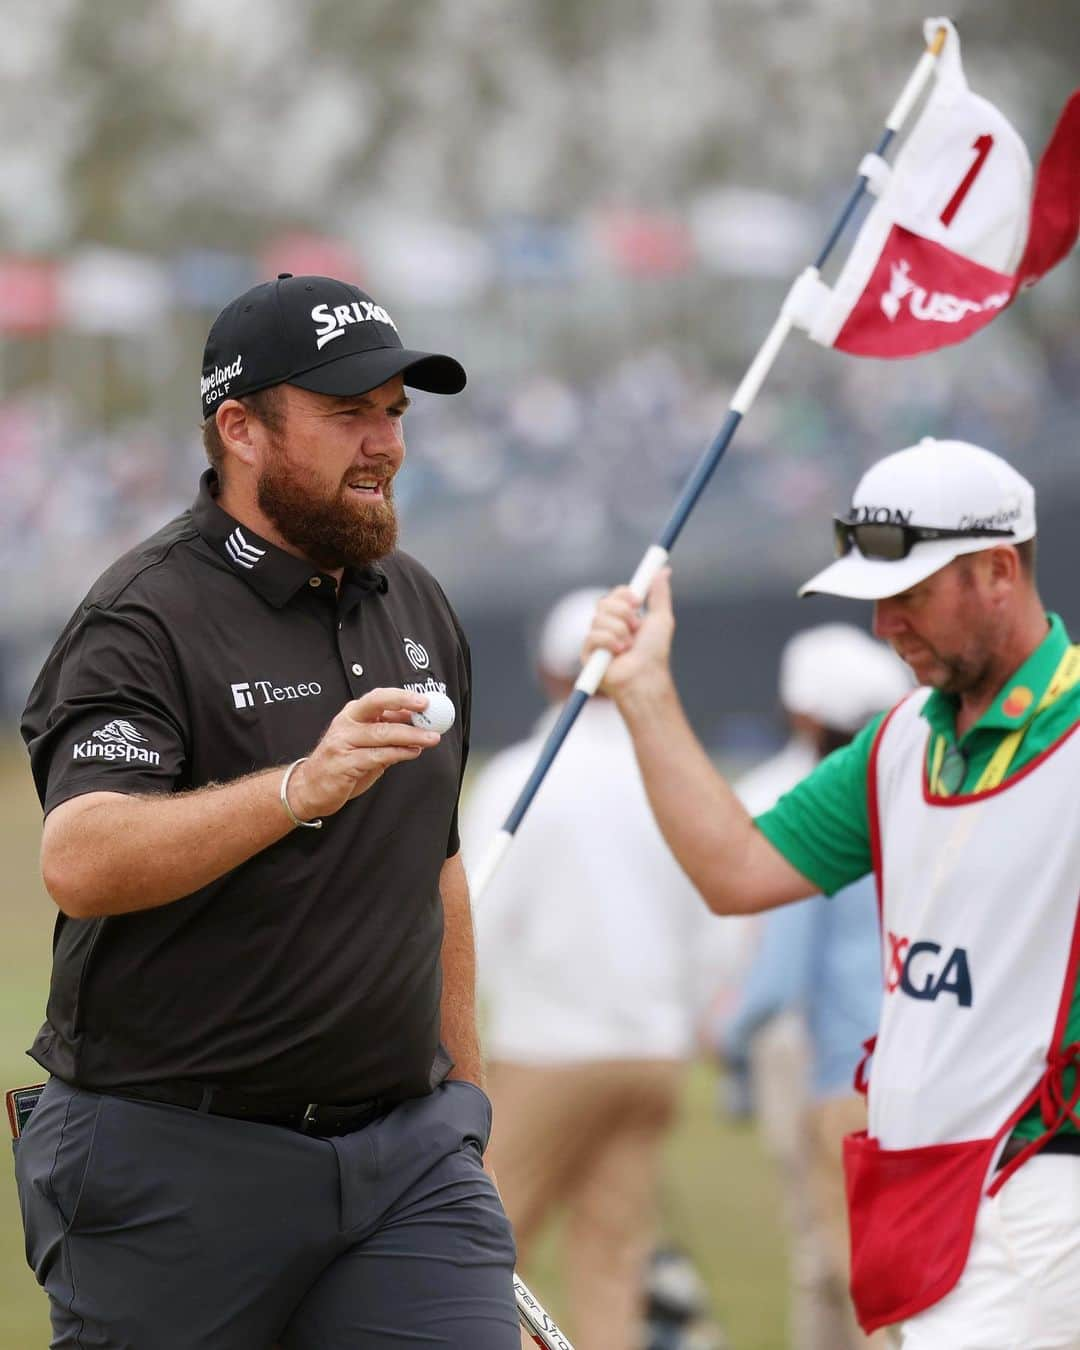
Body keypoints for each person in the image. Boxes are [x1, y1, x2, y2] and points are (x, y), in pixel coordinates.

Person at [15, 273, 520, 1349]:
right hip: (172, 1163)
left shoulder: (418, 603)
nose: (383, 443)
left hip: (405, 1166)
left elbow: (433, 869)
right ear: (240, 429)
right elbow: (82, 856)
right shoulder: (142, 616)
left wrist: (461, 1115)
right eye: (347, 414)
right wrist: (298, 789)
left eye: (394, 413)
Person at [583, 438, 1080, 1349]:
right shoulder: (899, 741)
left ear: (1000, 570)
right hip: (922, 1191)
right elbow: (735, 870)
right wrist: (647, 692)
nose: (887, 624)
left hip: (1045, 1193)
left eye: (912, 593)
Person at [463, 588, 731, 1350]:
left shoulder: (523, 774)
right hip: (654, 1052)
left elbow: (474, 921)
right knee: (614, 1261)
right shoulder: (675, 778)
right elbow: (713, 916)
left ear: (552, 671)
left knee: (475, 1250)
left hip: (549, 1048)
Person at [713, 624, 910, 1350]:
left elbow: (777, 976)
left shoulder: (821, 815)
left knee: (852, 1264)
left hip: (846, 1077)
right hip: (930, 1066)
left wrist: (723, 1037)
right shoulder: (920, 798)